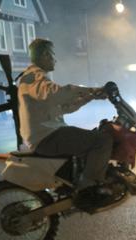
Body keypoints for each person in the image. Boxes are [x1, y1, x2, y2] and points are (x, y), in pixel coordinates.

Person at [17, 38, 113, 197]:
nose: (55, 59)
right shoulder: (33, 77)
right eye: (52, 55)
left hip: (48, 134)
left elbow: (65, 107)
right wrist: (93, 89)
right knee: (102, 140)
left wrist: (91, 96)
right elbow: (58, 93)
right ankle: (88, 188)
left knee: (92, 136)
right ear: (45, 55)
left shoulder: (37, 78)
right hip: (46, 137)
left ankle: (78, 180)